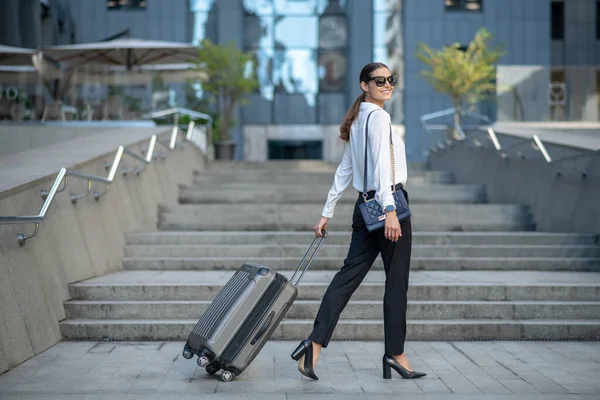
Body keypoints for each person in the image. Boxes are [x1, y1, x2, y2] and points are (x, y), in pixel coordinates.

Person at [290, 62, 426, 380]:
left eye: (390, 79)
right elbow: (381, 167)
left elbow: (345, 170)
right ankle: (395, 354)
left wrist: (327, 211)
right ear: (364, 85)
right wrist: (390, 210)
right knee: (396, 284)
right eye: (379, 80)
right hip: (387, 208)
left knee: (346, 278)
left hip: (363, 209)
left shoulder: (357, 119)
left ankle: (315, 344)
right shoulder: (378, 117)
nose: (387, 84)